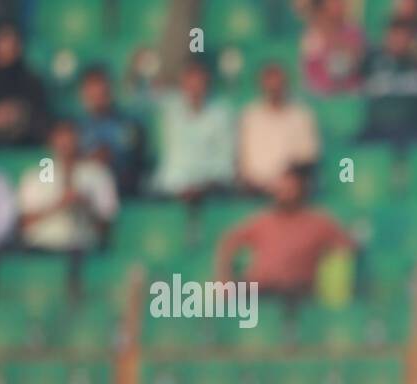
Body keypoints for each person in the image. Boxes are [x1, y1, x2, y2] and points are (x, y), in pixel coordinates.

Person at [215, 165, 353, 299]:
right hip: (260, 288)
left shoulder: (319, 223)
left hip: (295, 292)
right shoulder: (263, 221)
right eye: (281, 187)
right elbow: (230, 240)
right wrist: (225, 276)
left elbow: (346, 246)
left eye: (290, 188)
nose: (284, 192)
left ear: (302, 189)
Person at [17, 120, 118, 252]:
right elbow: (23, 223)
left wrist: (86, 206)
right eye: (60, 138)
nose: (66, 144)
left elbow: (107, 227)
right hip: (41, 249)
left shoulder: (97, 174)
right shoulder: (36, 175)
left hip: (85, 249)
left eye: (70, 138)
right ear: (51, 141)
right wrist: (60, 204)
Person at [151, 59, 237, 201]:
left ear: (208, 85)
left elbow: (225, 162)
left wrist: (205, 186)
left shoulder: (221, 115)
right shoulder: (169, 107)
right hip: (171, 188)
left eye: (199, 83)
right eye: (189, 83)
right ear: (182, 85)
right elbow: (138, 95)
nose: (194, 88)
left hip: (209, 189)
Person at [238, 62, 320, 196]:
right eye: (270, 86)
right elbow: (242, 160)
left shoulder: (302, 116)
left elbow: (308, 157)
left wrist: (285, 180)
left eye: (278, 85)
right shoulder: (250, 116)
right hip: (254, 189)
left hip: (291, 189)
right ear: (261, 86)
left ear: (286, 85)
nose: (274, 89)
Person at [359, 17, 417, 145]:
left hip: (414, 132)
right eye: (394, 35)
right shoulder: (371, 64)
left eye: (404, 36)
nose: (398, 41)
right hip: (379, 130)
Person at [77, 65, 148, 197]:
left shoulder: (128, 125)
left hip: (121, 189)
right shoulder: (76, 127)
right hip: (83, 191)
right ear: (84, 93)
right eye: (92, 93)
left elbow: (135, 164)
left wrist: (109, 159)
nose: (97, 97)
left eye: (102, 92)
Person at [0, 21, 50, 146]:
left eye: (14, 41)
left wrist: (19, 115)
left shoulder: (32, 82)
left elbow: (42, 122)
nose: (9, 46)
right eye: (4, 39)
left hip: (22, 148)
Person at [300, 0, 367, 95]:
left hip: (349, 96)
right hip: (319, 97)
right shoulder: (311, 35)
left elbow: (355, 60)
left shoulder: (354, 33)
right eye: (335, 2)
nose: (341, 5)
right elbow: (310, 73)